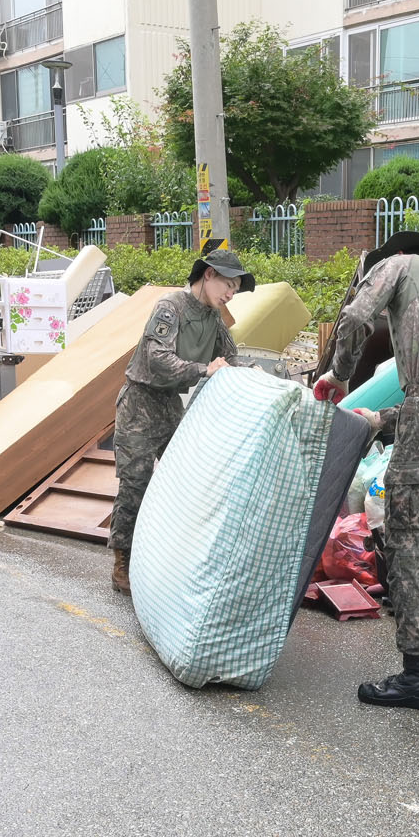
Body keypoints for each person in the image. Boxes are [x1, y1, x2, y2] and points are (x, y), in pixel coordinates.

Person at [315, 232, 419, 711]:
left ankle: (417, 675)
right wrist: (380, 420)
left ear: (402, 254)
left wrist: (339, 374)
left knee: (408, 542)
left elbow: (355, 318)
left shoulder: (399, 266)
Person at [108, 247, 255, 595]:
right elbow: (157, 358)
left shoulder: (214, 318)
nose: (230, 294)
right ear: (208, 274)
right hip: (139, 403)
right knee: (135, 485)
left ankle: (168, 557)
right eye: (228, 285)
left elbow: (230, 358)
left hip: (171, 405)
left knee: (187, 480)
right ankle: (122, 560)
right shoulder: (170, 307)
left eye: (236, 289)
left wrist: (256, 378)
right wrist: (204, 369)